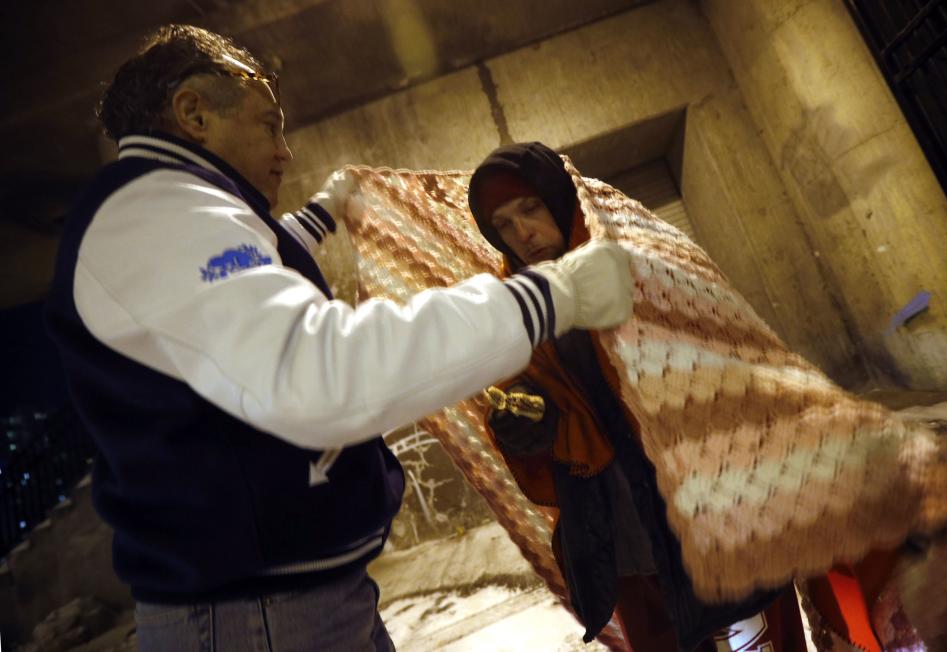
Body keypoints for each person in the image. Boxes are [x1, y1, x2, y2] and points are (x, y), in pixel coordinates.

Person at [43, 26, 634, 652]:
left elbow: (248, 273)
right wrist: (551, 296)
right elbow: (315, 374)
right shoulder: (160, 213)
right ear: (194, 113)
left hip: (275, 603)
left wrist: (328, 208)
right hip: (259, 619)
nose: (285, 151)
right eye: (268, 124)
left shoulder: (165, 215)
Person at [468, 142, 809, 652]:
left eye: (530, 208)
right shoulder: (521, 312)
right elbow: (536, 419)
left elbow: (733, 368)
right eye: (504, 225)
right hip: (626, 543)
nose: (523, 233)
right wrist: (523, 427)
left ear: (559, 198)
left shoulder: (643, 266)